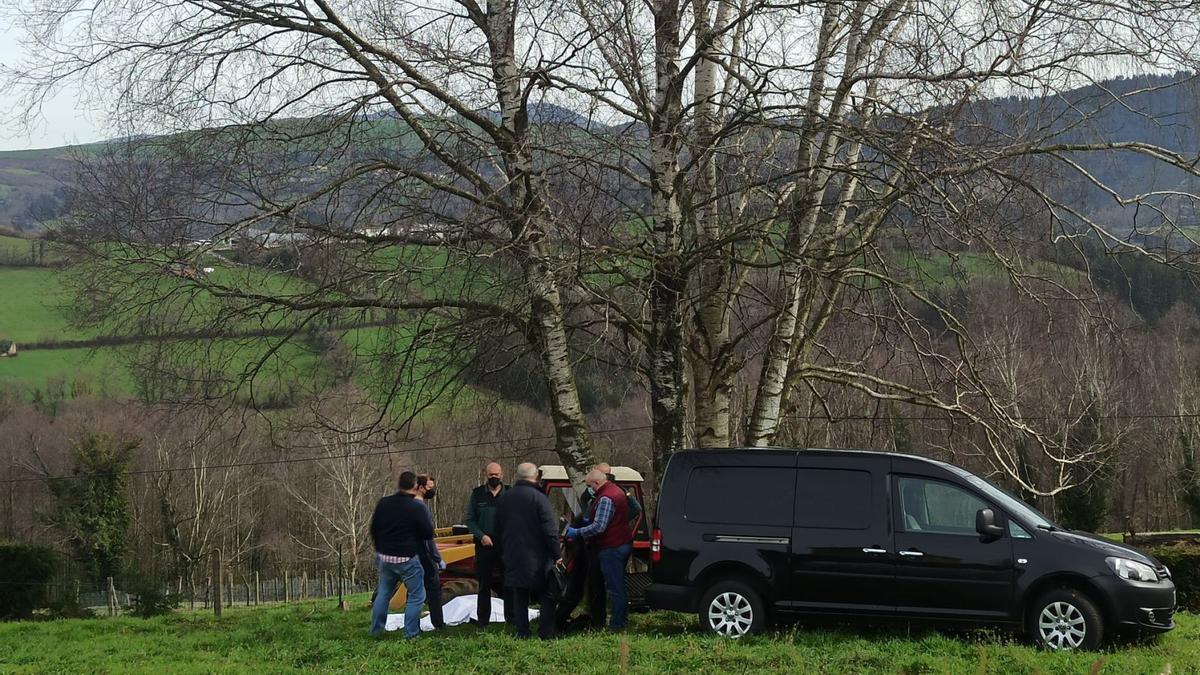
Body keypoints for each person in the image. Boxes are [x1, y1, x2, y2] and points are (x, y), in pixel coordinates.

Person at [495, 462, 561, 639]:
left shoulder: (505, 498)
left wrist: (504, 551)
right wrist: (557, 554)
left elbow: (497, 528)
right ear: (536, 477)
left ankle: (522, 631)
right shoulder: (539, 498)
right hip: (539, 555)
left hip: (513, 553)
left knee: (520, 595)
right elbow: (550, 530)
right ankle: (545, 632)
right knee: (547, 595)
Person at [566, 469, 634, 631]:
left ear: (597, 483)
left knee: (614, 588)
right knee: (618, 586)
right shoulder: (616, 491)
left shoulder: (605, 498)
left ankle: (617, 624)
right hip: (621, 542)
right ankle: (621, 619)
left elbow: (599, 527)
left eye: (590, 485)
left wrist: (577, 532)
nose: (590, 489)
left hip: (611, 547)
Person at [369, 470, 434, 639]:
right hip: (406, 558)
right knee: (417, 595)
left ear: (399, 485)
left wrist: (380, 548)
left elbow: (374, 528)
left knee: (383, 594)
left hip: (385, 557)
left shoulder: (383, 503)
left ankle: (376, 631)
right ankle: (411, 633)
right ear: (414, 486)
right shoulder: (415, 507)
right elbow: (428, 532)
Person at [464, 461, 513, 627]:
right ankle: (483, 621)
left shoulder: (510, 493)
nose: (494, 477)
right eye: (491, 474)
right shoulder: (477, 494)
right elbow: (469, 519)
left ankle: (511, 619)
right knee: (484, 585)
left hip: (505, 545)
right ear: (486, 475)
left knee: (509, 582)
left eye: (496, 474)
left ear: (502, 475)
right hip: (484, 545)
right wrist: (481, 535)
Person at [415, 474, 446, 629]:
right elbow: (428, 537)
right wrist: (437, 558)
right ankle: (438, 623)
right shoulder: (422, 509)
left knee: (414, 592)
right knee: (434, 590)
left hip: (410, 554)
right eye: (429, 487)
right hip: (424, 554)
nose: (432, 490)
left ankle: (412, 626)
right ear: (421, 488)